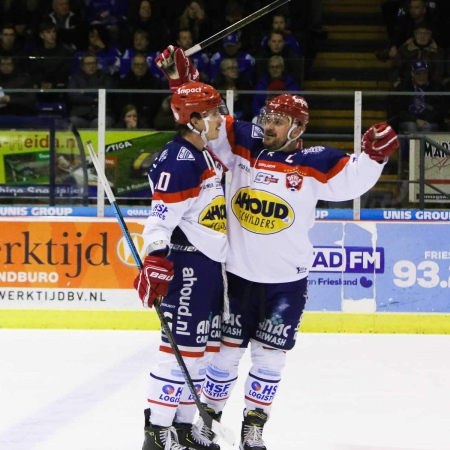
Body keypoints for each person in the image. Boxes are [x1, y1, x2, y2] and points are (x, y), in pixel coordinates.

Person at [157, 46, 400, 450]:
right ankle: (206, 422)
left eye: (278, 120)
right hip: (237, 277)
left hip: (287, 284)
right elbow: (205, 118)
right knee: (226, 358)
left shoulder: (316, 161)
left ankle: (254, 429)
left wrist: (374, 156)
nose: (267, 124)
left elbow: (352, 180)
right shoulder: (242, 143)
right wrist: (183, 80)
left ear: (297, 128)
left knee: (271, 359)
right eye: (267, 116)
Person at [134, 47, 228, 450]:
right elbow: (158, 220)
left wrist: (179, 74)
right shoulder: (180, 158)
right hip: (187, 267)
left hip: (210, 266)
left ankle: (185, 428)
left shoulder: (201, 150)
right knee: (179, 355)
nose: (219, 119)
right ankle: (157, 431)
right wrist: (155, 260)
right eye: (212, 112)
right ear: (192, 118)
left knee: (201, 353)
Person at [67, 52, 116, 128]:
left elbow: (107, 93)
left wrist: (83, 91)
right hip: (80, 114)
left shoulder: (105, 77)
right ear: (82, 66)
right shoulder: (75, 78)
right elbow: (74, 96)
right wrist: (94, 99)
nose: (91, 66)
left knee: (101, 124)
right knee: (72, 122)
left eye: (93, 63)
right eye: (88, 64)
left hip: (101, 114)